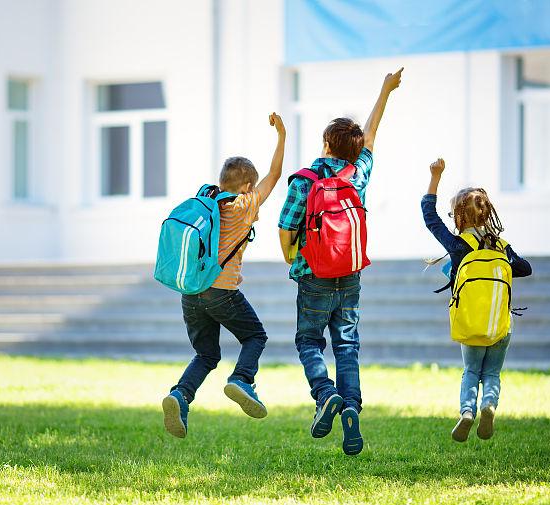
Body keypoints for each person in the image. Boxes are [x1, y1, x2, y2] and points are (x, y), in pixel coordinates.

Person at [277, 68, 403, 455]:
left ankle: (325, 393)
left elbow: (286, 227)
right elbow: (373, 131)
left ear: (325, 144)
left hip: (312, 273)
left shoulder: (305, 179)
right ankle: (350, 408)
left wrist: (291, 259)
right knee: (347, 345)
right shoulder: (358, 174)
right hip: (349, 274)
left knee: (308, 340)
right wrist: (385, 90)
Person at [162, 113, 286, 439]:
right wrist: (282, 135)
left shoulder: (208, 200)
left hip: (191, 291)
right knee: (255, 337)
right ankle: (242, 379)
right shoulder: (244, 205)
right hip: (222, 291)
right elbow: (275, 174)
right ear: (246, 186)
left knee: (206, 353)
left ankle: (180, 395)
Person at [422, 158, 532, 441]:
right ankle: (489, 405)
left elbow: (429, 216)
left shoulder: (459, 246)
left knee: (471, 370)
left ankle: (467, 411)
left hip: (470, 324)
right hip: (500, 325)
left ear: (459, 218)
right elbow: (525, 268)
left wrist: (435, 176)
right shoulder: (501, 246)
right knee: (492, 373)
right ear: (487, 215)